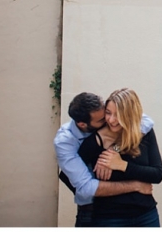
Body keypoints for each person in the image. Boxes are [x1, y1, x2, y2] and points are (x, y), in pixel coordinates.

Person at [54, 92, 155, 227]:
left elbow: (145, 121)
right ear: (83, 124)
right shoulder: (65, 142)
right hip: (91, 210)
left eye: (106, 113)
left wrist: (114, 149)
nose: (109, 120)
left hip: (135, 210)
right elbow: (86, 188)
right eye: (102, 120)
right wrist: (135, 186)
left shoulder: (106, 118)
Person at [79, 88, 162, 227]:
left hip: (146, 215)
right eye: (108, 113)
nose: (111, 120)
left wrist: (121, 165)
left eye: (118, 115)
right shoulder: (96, 141)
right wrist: (134, 186)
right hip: (110, 218)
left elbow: (157, 174)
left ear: (129, 115)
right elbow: (71, 179)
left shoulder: (142, 133)